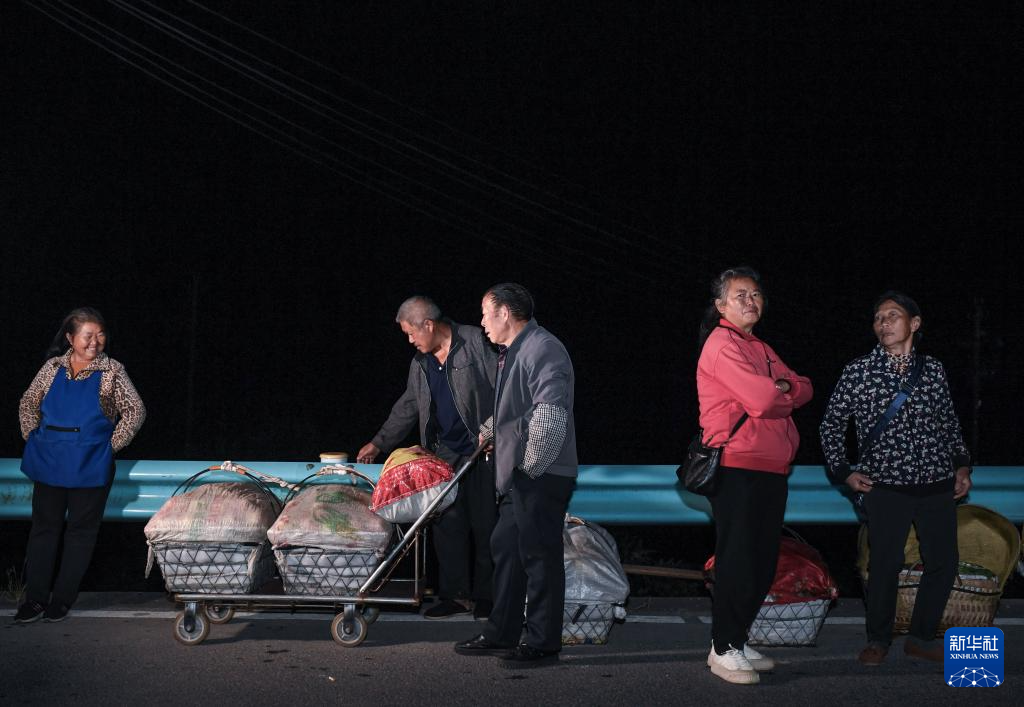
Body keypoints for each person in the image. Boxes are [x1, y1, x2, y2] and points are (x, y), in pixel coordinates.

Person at [820, 291, 971, 666]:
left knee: (943, 562)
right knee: (885, 565)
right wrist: (843, 471)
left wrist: (961, 465)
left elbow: (948, 422)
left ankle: (921, 636)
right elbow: (831, 426)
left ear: (914, 324)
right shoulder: (858, 371)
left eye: (893, 315)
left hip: (937, 483)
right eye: (878, 318)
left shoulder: (932, 369)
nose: (883, 323)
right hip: (884, 486)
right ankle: (878, 639)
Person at [696, 267, 813, 684]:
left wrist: (783, 388)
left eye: (755, 294)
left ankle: (736, 639)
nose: (750, 300)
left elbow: (805, 387)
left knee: (762, 561)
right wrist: (781, 388)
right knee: (738, 559)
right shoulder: (721, 343)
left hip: (772, 467)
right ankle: (723, 648)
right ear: (721, 305)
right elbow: (764, 399)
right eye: (740, 295)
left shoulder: (760, 346)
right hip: (737, 465)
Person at [455, 282, 577, 669]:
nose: (482, 323)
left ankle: (543, 643)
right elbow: (515, 409)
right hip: (520, 471)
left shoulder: (543, 348)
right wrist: (489, 432)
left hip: (539, 471)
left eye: (485, 314)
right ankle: (501, 632)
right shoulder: (514, 351)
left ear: (504, 313)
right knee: (506, 547)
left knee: (539, 556)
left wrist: (528, 467)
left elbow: (550, 412)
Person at [356, 296, 498, 620]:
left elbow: (504, 388)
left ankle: (488, 596)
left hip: (482, 448)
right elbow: (409, 405)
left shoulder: (475, 342)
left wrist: (496, 433)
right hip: (444, 451)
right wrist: (378, 443)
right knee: (446, 525)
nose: (410, 340)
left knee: (485, 524)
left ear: (429, 325)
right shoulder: (420, 362)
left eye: (411, 333)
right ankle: (456, 596)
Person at [15, 307, 146, 623]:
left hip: (91, 462)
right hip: (50, 459)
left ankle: (61, 600)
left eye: (100, 335)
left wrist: (109, 447)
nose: (95, 342)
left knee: (80, 533)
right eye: (88, 335)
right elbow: (28, 403)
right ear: (70, 338)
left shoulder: (112, 370)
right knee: (44, 530)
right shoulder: (52, 368)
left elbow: (135, 411)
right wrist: (33, 437)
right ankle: (35, 600)